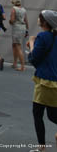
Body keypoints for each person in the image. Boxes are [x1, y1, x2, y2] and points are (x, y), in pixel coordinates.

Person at [27, 10, 57, 151]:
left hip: (45, 82)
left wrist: (32, 43)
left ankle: (41, 148)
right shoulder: (54, 36)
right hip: (55, 81)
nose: (38, 19)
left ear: (44, 22)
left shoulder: (43, 36)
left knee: (37, 114)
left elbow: (33, 58)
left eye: (40, 18)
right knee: (52, 114)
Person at [9, 0, 29, 71]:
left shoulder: (14, 9)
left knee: (18, 46)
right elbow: (26, 21)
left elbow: (12, 20)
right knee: (14, 45)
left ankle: (22, 66)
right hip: (23, 28)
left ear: (13, 1)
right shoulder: (24, 9)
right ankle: (15, 63)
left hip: (16, 29)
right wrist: (27, 30)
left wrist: (9, 21)